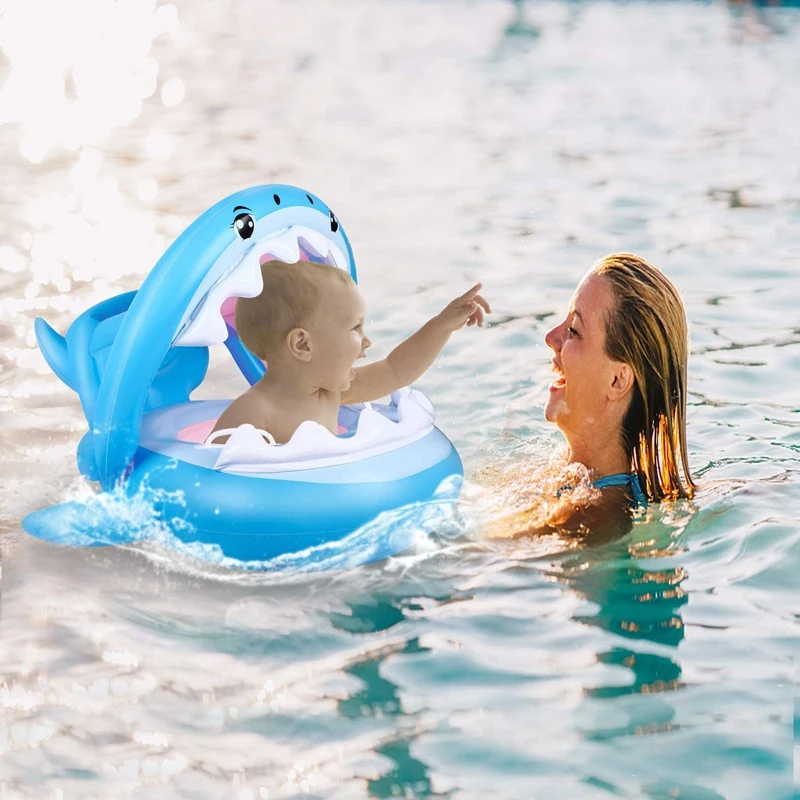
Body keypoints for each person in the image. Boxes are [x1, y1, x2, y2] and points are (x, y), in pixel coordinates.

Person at [492, 253, 695, 538]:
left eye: (574, 330)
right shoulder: (570, 474)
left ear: (617, 380)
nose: (551, 337)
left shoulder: (587, 519)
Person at [209, 259, 491, 444]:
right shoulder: (253, 413)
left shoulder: (330, 393)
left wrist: (442, 325)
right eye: (355, 328)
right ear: (303, 345)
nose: (366, 342)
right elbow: (214, 479)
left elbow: (396, 370)